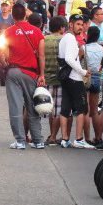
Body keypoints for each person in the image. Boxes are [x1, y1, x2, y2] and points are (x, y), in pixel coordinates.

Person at [4, 3, 45, 150]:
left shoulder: (8, 32)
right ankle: (38, 140)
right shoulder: (37, 32)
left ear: (13, 15)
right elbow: (41, 55)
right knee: (32, 107)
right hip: (32, 73)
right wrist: (42, 75)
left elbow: (4, 54)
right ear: (25, 15)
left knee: (15, 107)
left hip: (14, 72)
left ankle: (20, 141)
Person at [58, 14, 93, 149]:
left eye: (81, 24)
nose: (81, 27)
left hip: (66, 78)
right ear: (70, 24)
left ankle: (65, 139)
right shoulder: (71, 39)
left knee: (65, 109)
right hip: (74, 78)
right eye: (77, 24)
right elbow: (69, 59)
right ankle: (78, 138)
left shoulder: (65, 38)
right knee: (81, 109)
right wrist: (83, 72)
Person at [44, 16, 67, 145]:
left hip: (46, 79)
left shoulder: (44, 40)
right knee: (58, 111)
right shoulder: (65, 41)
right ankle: (53, 136)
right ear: (62, 28)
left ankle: (46, 135)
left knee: (48, 109)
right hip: (61, 80)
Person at [84, 25, 103, 149]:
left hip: (86, 76)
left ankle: (87, 138)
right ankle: (98, 137)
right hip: (97, 77)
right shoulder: (102, 49)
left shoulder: (84, 47)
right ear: (98, 36)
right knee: (94, 111)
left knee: (86, 111)